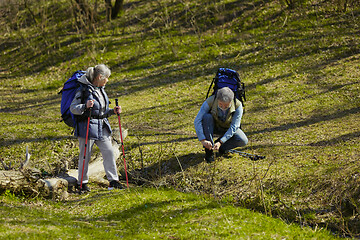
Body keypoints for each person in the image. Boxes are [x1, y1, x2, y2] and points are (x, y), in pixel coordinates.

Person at [70, 64, 124, 192]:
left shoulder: (101, 89)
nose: (108, 80)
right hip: (86, 128)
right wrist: (85, 106)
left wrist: (112, 111)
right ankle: (82, 183)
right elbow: (73, 108)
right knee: (85, 156)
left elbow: (101, 111)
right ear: (100, 77)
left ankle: (113, 181)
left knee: (109, 152)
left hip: (102, 127)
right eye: (107, 78)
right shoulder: (83, 89)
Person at [194, 87, 248, 163]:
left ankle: (222, 148)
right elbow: (197, 120)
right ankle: (209, 151)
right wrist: (203, 140)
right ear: (217, 99)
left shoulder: (238, 105)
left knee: (243, 140)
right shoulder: (210, 101)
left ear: (231, 101)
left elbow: (234, 126)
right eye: (220, 105)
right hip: (213, 126)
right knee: (206, 117)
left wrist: (221, 142)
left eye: (226, 106)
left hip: (228, 128)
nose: (223, 108)